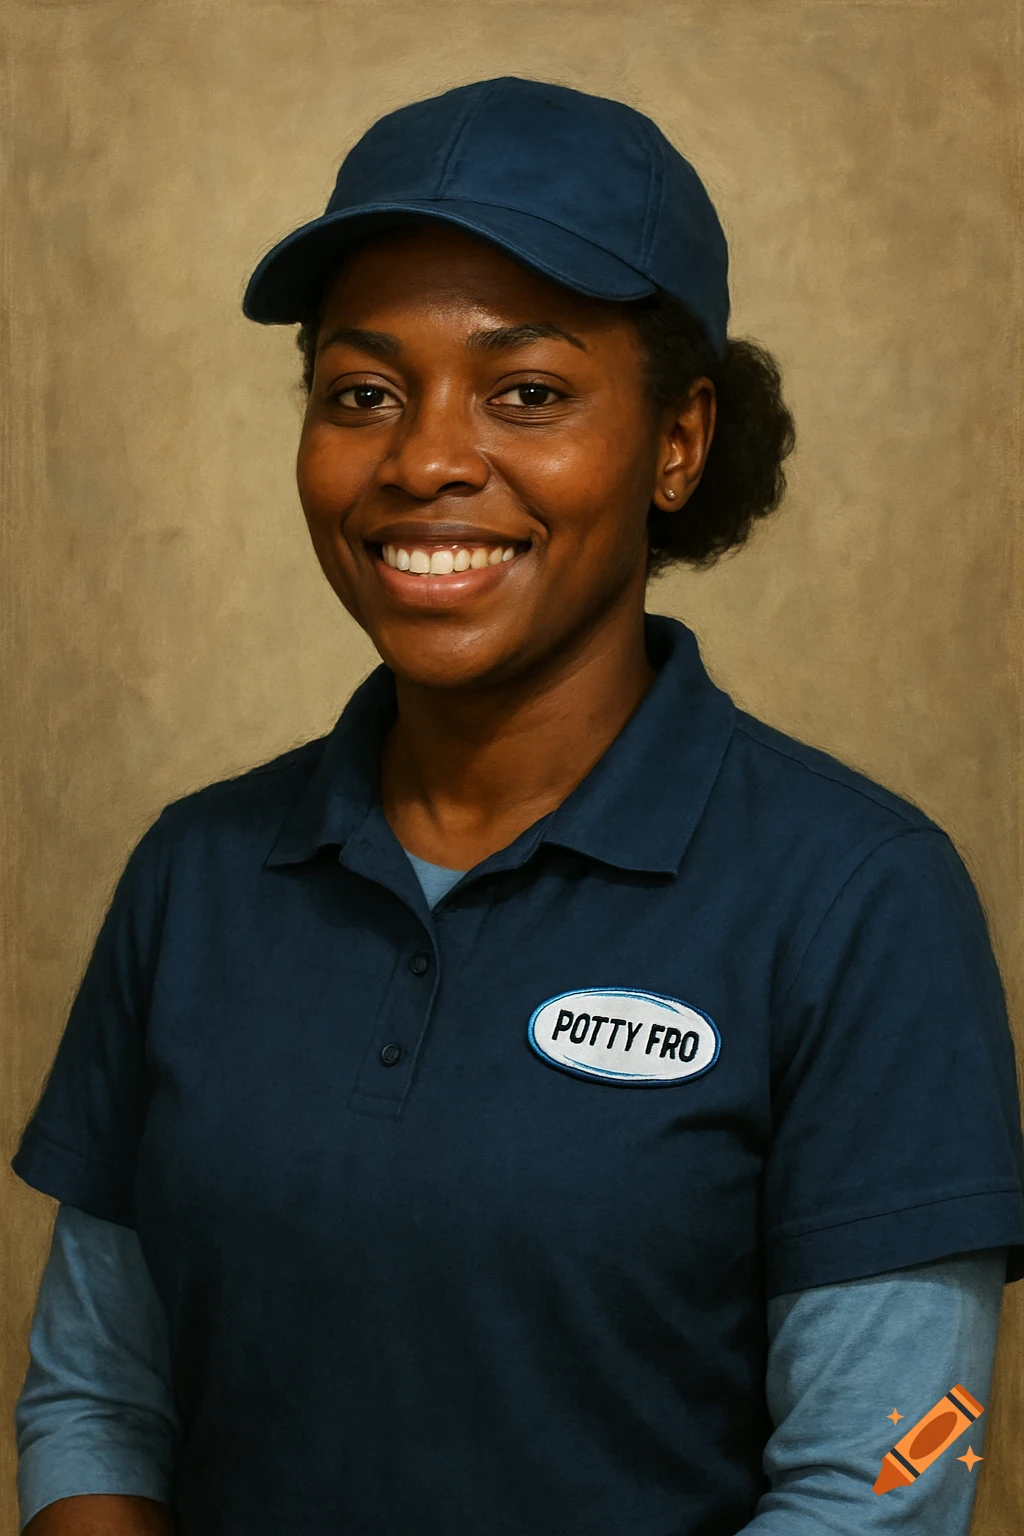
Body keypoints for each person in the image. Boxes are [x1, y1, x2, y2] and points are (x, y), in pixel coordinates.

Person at [11, 76, 1024, 1536]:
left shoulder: (858, 896)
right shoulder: (197, 875)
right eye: (362, 392)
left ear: (679, 440)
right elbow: (100, 1405)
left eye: (527, 392)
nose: (425, 459)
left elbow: (871, 1490)